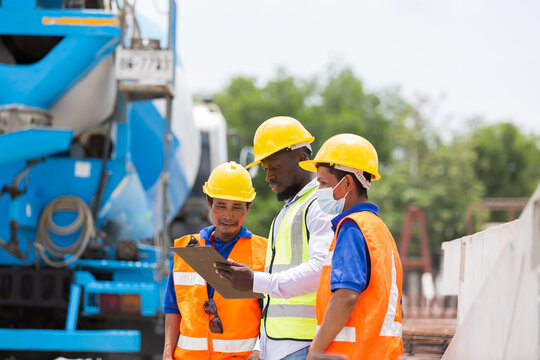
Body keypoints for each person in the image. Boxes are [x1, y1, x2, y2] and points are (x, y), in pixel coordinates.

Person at [214, 116, 334, 360]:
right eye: (266, 169)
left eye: (275, 167)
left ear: (302, 158)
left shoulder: (320, 204)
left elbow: (323, 270)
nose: (268, 176)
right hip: (280, 347)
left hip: (305, 345)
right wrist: (261, 346)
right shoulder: (289, 210)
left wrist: (256, 281)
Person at [298, 134, 403, 360]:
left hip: (353, 355)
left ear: (347, 183)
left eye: (324, 183)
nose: (319, 191)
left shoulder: (352, 228)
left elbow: (346, 295)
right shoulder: (378, 230)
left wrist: (315, 350)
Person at [162, 161, 267, 360]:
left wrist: (259, 350)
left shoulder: (263, 252)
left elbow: (271, 313)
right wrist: (167, 352)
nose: (228, 215)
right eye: (221, 206)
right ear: (209, 203)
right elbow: (172, 307)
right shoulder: (187, 248)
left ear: (248, 207)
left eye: (237, 207)